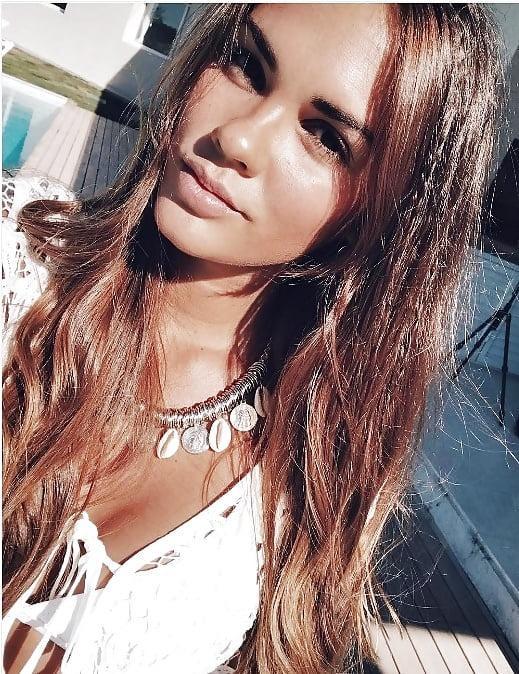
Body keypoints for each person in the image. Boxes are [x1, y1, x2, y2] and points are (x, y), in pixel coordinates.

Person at [2, 3, 503, 673]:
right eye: (246, 64)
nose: (236, 138)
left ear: (384, 218)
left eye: (325, 136)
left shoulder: (309, 475)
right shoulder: (20, 271)